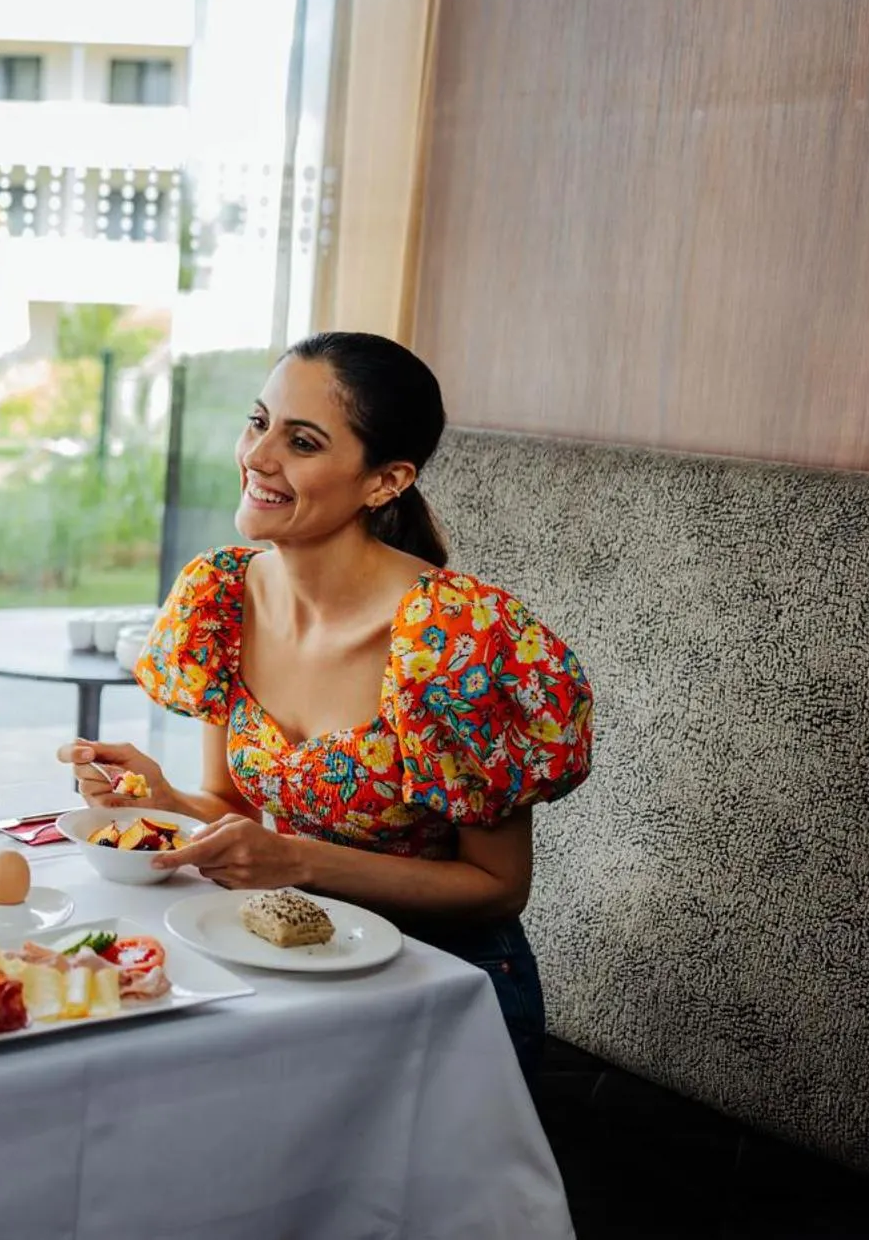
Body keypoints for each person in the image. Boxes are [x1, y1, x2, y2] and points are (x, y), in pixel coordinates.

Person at [59, 331, 591, 1078]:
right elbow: (233, 811)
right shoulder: (221, 595)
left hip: (442, 985)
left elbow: (499, 890)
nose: (257, 456)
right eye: (257, 421)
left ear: (385, 480)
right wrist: (163, 797)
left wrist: (300, 862)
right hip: (291, 952)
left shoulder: (458, 639)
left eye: (301, 441)